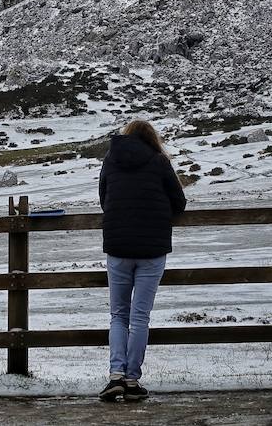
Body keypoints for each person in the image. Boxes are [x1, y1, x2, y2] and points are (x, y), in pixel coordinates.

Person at [97, 119, 186, 403]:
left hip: (118, 247)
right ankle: (132, 380)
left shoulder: (111, 159)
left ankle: (115, 376)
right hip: (152, 249)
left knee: (118, 315)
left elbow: (103, 197)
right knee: (139, 317)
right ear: (152, 139)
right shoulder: (159, 161)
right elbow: (179, 202)